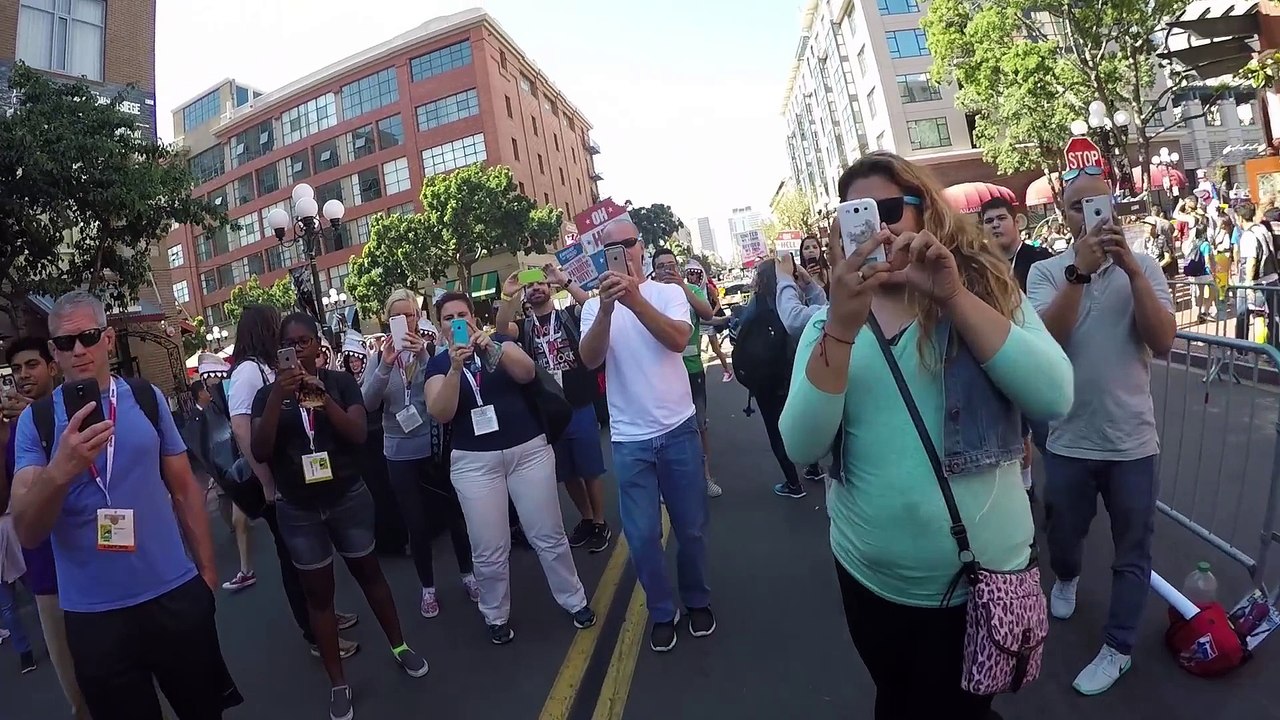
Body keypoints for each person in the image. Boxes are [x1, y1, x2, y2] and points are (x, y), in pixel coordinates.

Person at [780, 153, 1073, 719]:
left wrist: (953, 297)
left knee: (958, 709)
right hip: (870, 578)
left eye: (890, 209)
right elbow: (800, 445)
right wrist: (841, 324)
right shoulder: (828, 323)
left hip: (980, 582)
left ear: (923, 212)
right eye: (855, 216)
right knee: (897, 699)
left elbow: (1055, 396)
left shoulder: (985, 290)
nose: (878, 227)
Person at [9, 290, 241, 720]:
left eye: (89, 336)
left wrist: (206, 575)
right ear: (53, 352)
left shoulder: (146, 397)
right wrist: (61, 468)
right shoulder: (36, 423)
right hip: (95, 618)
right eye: (64, 342)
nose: (78, 349)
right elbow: (28, 530)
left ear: (108, 340)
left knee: (204, 711)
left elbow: (185, 489)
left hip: (173, 594)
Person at [1027, 167, 1176, 696]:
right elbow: (1046, 340)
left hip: (1133, 442)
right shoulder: (1047, 271)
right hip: (1067, 440)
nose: (1090, 214)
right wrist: (1079, 274)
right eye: (1077, 206)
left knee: (1133, 549)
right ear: (1063, 216)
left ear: (1114, 208)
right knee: (1064, 535)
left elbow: (1163, 343)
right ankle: (1066, 575)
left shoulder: (1146, 267)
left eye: (1100, 203)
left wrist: (1133, 273)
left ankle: (1118, 648)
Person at [251, 313, 428, 719]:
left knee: (370, 575)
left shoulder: (340, 382)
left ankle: (400, 646)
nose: (298, 350)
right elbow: (261, 450)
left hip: (347, 496)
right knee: (319, 596)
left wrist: (322, 397)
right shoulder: (266, 396)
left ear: (318, 346)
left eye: (304, 342)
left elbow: (357, 433)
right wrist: (280, 397)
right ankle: (338, 683)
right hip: (299, 509)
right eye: (289, 344)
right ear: (279, 352)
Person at [425, 292, 595, 645]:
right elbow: (440, 411)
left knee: (547, 532)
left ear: (473, 317)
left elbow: (527, 371)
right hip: (475, 464)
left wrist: (492, 349)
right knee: (489, 546)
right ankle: (495, 613)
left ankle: (574, 599)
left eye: (462, 314)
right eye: (447, 317)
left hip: (527, 452)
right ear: (440, 327)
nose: (457, 321)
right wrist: (456, 368)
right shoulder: (438, 365)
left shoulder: (499, 341)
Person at [579, 220, 713, 653]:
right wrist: (605, 309)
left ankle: (696, 599)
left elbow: (678, 339)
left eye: (628, 244)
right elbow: (589, 358)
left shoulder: (668, 291)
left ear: (641, 247)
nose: (622, 253)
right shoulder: (593, 305)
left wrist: (636, 302)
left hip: (678, 431)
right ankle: (661, 610)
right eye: (611, 248)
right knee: (640, 537)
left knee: (691, 528)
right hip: (629, 440)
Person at [227, 305, 360, 659]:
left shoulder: (271, 369)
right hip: (276, 486)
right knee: (295, 563)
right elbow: (244, 430)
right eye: (280, 332)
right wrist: (268, 484)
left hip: (308, 480)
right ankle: (315, 633)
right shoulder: (247, 374)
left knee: (312, 563)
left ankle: (326, 617)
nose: (288, 342)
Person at [362, 290, 478, 618]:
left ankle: (468, 574)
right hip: (399, 453)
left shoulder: (432, 351)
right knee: (416, 524)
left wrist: (425, 357)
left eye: (411, 315)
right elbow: (368, 403)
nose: (407, 322)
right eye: (398, 317)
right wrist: (385, 366)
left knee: (455, 515)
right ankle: (428, 588)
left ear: (419, 315)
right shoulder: (379, 357)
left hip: (435, 446)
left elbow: (441, 389)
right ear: (388, 320)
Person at [495, 265, 612, 551]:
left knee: (589, 468)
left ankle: (600, 521)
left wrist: (565, 280)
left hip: (580, 403)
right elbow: (500, 331)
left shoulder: (569, 315)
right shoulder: (523, 327)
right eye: (530, 287)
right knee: (566, 472)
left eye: (541, 285)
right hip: (548, 410)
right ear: (525, 296)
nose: (536, 289)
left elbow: (593, 306)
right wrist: (506, 296)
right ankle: (586, 518)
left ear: (550, 290)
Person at [3, 338, 72, 701]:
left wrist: (37, 419)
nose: (23, 375)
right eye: (16, 369)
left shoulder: (71, 413)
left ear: (52, 367)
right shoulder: (11, 430)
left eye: (32, 365)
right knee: (76, 694)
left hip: (90, 561)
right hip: (45, 570)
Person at [979, 196, 1056, 493]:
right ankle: (1024, 492)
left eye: (1001, 218)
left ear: (1016, 222)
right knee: (1010, 438)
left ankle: (1060, 496)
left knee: (1046, 435)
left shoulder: (1040, 258)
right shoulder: (981, 267)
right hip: (1000, 361)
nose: (995, 225)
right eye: (989, 221)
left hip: (1038, 363)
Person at [653, 250, 721, 497]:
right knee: (664, 428)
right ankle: (666, 484)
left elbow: (707, 313)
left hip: (691, 368)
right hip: (661, 373)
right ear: (654, 270)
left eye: (671, 265)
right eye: (661, 267)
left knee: (700, 424)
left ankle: (705, 477)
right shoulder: (647, 294)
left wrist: (683, 286)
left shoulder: (691, 290)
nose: (667, 270)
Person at [735, 259, 805, 498]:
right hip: (795, 373)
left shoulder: (756, 305)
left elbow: (740, 336)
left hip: (767, 381)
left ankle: (793, 483)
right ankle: (814, 467)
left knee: (777, 432)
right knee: (801, 421)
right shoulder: (792, 301)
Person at [341, 330, 407, 556]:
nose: (355, 364)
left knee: (391, 492)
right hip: (364, 449)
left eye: (357, 359)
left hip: (381, 439)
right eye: (351, 361)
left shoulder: (371, 373)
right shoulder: (345, 382)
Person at [775, 247, 833, 486]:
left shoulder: (851, 308)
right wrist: (810, 286)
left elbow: (794, 318)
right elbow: (824, 312)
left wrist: (785, 279)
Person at [192, 375, 255, 594]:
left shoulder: (225, 402)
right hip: (235, 467)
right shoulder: (215, 408)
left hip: (244, 464)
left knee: (241, 519)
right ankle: (246, 569)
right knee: (239, 520)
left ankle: (247, 570)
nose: (209, 387)